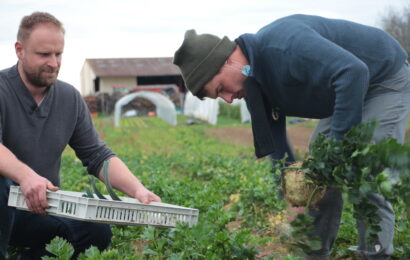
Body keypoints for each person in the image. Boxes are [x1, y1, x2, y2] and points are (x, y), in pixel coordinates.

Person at [173, 14, 410, 260]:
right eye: (219, 98)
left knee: (365, 169)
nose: (229, 99)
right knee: (316, 172)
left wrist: (335, 156)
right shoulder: (252, 84)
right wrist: (293, 195)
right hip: (345, 89)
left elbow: (353, 72)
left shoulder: (284, 45)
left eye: (221, 89)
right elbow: (276, 147)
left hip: (382, 77)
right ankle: (315, 255)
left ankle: (376, 254)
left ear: (228, 61)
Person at [0, 12, 161, 259]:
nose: (53, 63)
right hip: (3, 205)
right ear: (20, 50)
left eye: (58, 54)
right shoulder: (3, 89)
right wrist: (26, 176)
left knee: (96, 233)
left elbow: (97, 154)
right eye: (44, 54)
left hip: (38, 210)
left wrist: (138, 190)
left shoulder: (68, 98)